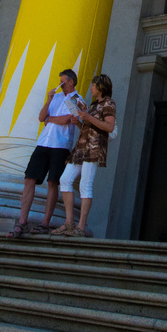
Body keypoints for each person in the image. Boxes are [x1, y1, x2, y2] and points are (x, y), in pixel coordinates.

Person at [4, 69, 80, 239]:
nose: (59, 84)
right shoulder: (57, 97)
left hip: (60, 146)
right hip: (43, 143)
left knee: (53, 182)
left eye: (62, 81)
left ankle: (45, 223)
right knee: (29, 179)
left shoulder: (76, 99)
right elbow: (41, 117)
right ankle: (22, 221)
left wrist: (51, 119)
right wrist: (48, 101)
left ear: (70, 82)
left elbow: (68, 119)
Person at [55, 74, 116, 237]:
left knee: (85, 184)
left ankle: (80, 227)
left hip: (94, 148)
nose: (91, 88)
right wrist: (80, 122)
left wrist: (87, 117)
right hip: (82, 147)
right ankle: (69, 223)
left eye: (93, 85)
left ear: (101, 87)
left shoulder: (108, 103)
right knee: (65, 179)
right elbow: (90, 127)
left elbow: (109, 127)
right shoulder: (94, 105)